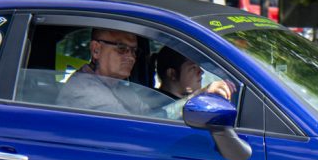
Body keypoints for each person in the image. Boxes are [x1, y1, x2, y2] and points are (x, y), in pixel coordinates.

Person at [56, 28, 233, 116]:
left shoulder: (118, 86)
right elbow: (140, 127)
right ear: (96, 50)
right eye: (121, 48)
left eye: (134, 51)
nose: (131, 57)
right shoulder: (85, 92)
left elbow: (150, 116)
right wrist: (194, 99)